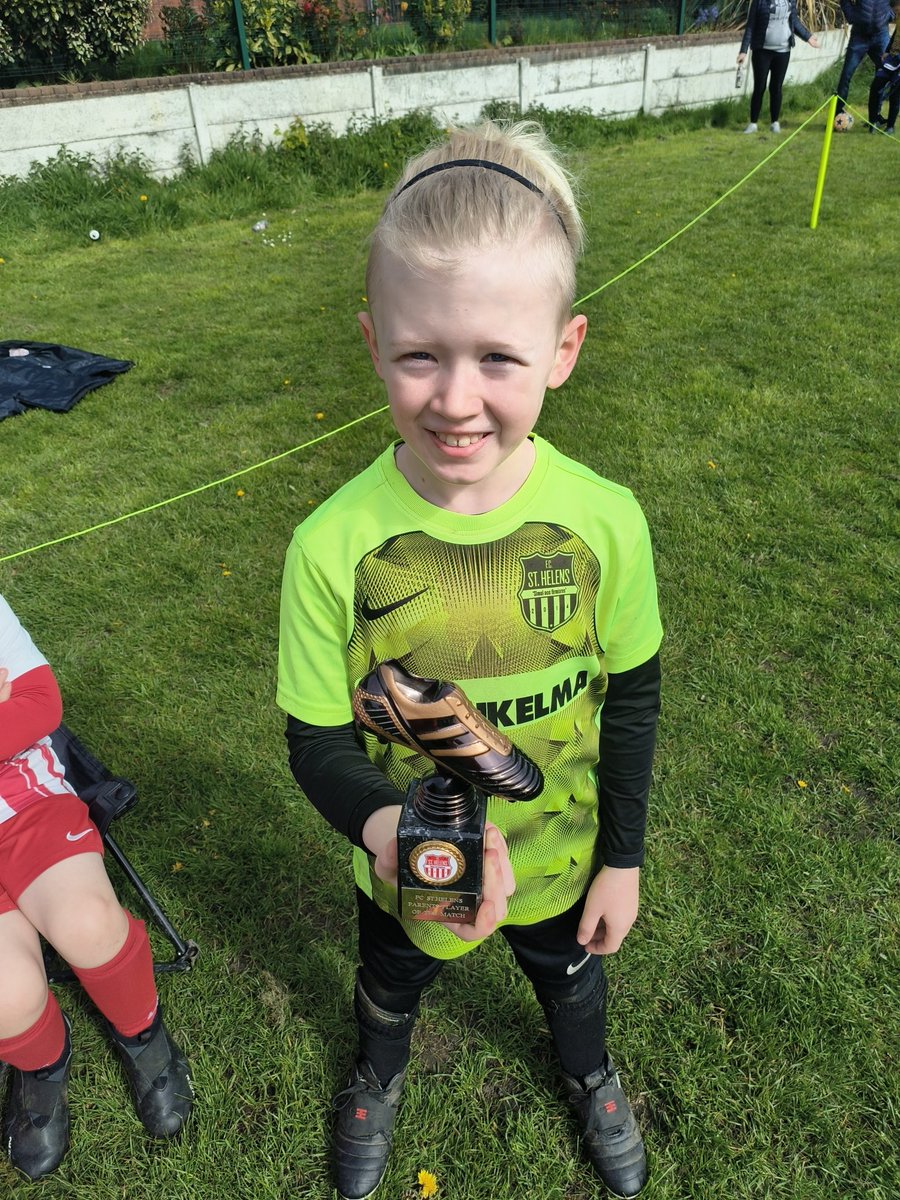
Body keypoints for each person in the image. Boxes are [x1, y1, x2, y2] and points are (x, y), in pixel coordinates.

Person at [277, 120, 663, 1200]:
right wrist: (389, 826)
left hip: (563, 852)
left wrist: (622, 857)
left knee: (571, 984)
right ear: (371, 344)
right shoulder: (330, 545)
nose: (456, 399)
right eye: (420, 354)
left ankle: (589, 1074)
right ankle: (378, 1073)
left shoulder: (607, 522)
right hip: (411, 867)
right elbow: (313, 737)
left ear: (564, 351)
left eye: (498, 356)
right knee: (389, 982)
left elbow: (633, 697)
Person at [0, 593, 193, 1180]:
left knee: (87, 922)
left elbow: (37, 704)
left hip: (25, 799)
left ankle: (144, 1037)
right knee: (5, 994)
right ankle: (42, 1068)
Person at [737, 0, 821, 133]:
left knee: (776, 87)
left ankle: (774, 123)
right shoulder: (759, 2)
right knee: (760, 86)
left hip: (783, 51)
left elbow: (794, 21)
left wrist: (808, 37)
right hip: (762, 51)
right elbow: (751, 26)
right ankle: (753, 123)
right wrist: (743, 51)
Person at [835, 0, 895, 114]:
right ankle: (837, 113)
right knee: (846, 75)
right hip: (859, 37)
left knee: (885, 74)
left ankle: (875, 116)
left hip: (881, 35)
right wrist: (852, 16)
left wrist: (890, 15)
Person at [867, 33, 900, 131]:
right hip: (892, 58)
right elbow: (896, 34)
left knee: (895, 93)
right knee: (875, 87)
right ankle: (873, 122)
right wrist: (887, 51)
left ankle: (890, 126)